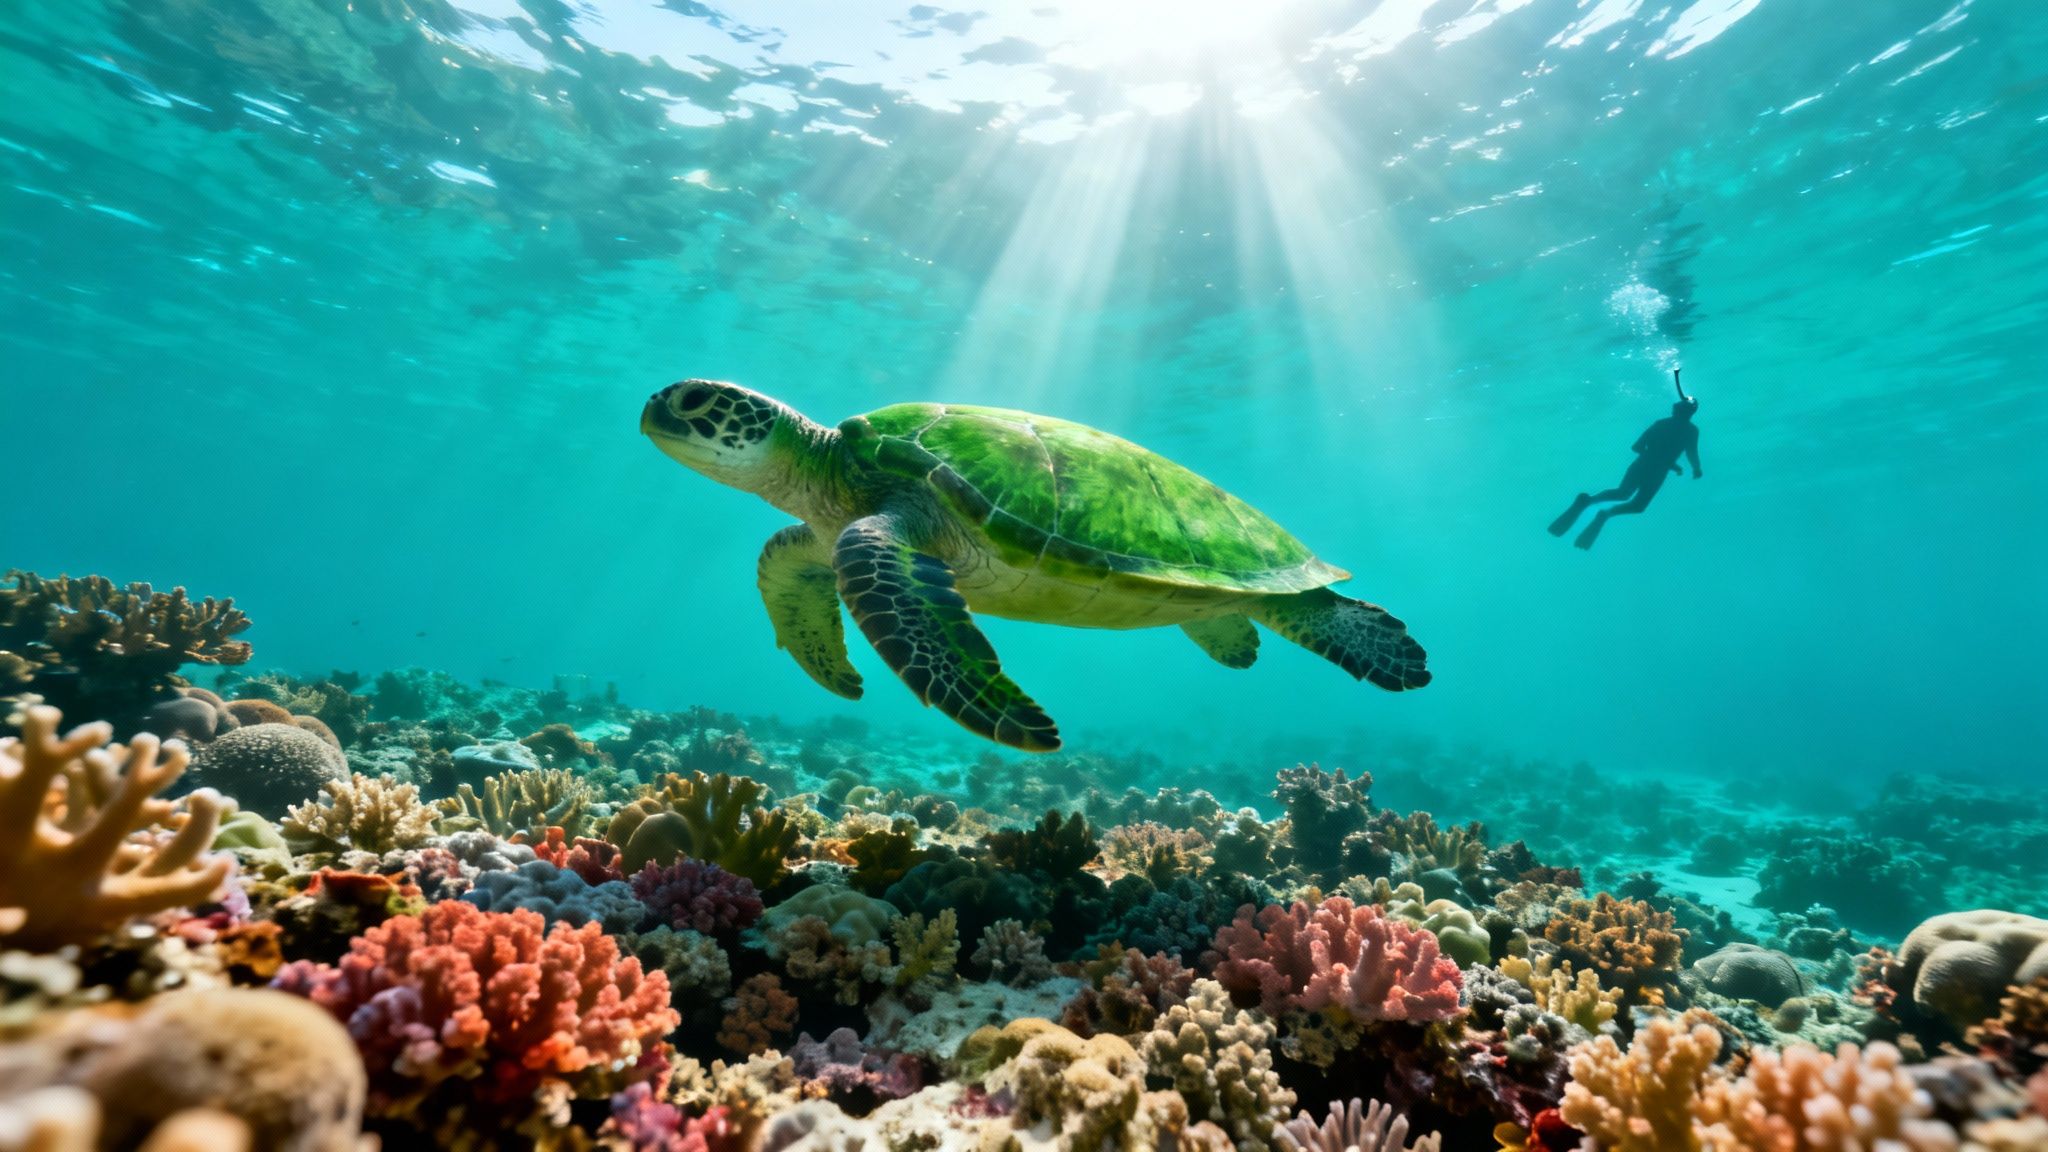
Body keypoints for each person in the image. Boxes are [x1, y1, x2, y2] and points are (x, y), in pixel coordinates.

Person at [1550, 370, 1702, 550]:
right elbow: (1691, 452)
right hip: (1657, 473)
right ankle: (1605, 514)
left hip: (1641, 465)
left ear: (1676, 409)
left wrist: (1663, 460)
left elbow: (1636, 447)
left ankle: (1588, 502)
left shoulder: (1661, 424)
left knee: (1622, 493)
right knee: (1637, 505)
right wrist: (1693, 468)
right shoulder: (1691, 431)